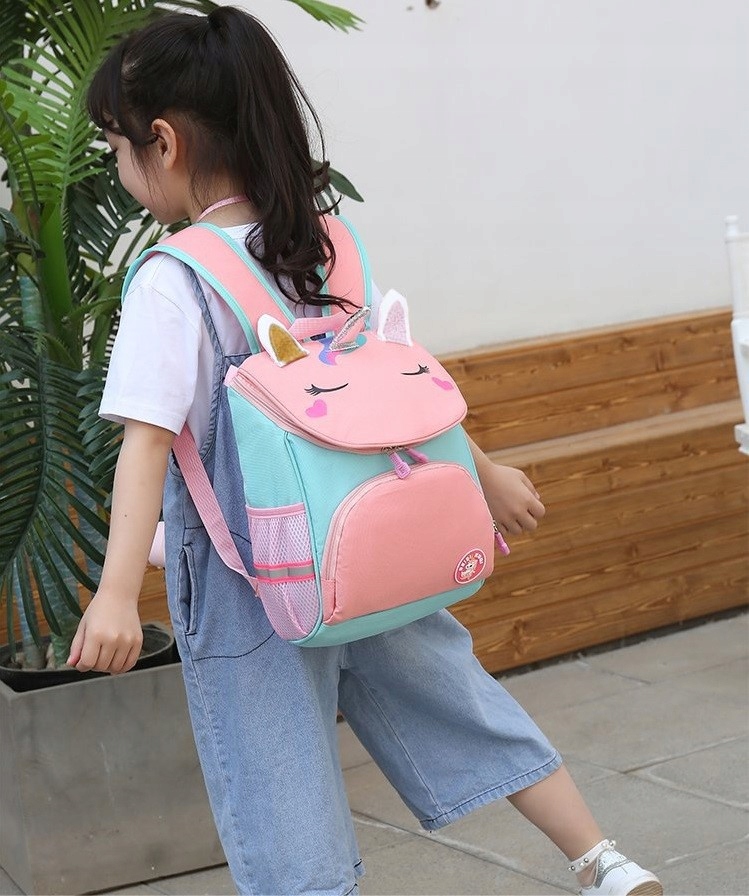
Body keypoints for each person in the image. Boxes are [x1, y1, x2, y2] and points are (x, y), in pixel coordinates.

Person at [68, 7, 663, 896]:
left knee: (275, 770)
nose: (121, 171)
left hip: (252, 584)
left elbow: (147, 442)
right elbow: (388, 390)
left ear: (165, 142)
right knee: (457, 699)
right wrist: (482, 473)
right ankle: (602, 862)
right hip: (372, 537)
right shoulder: (323, 244)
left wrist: (118, 595)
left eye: (118, 149)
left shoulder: (175, 277)